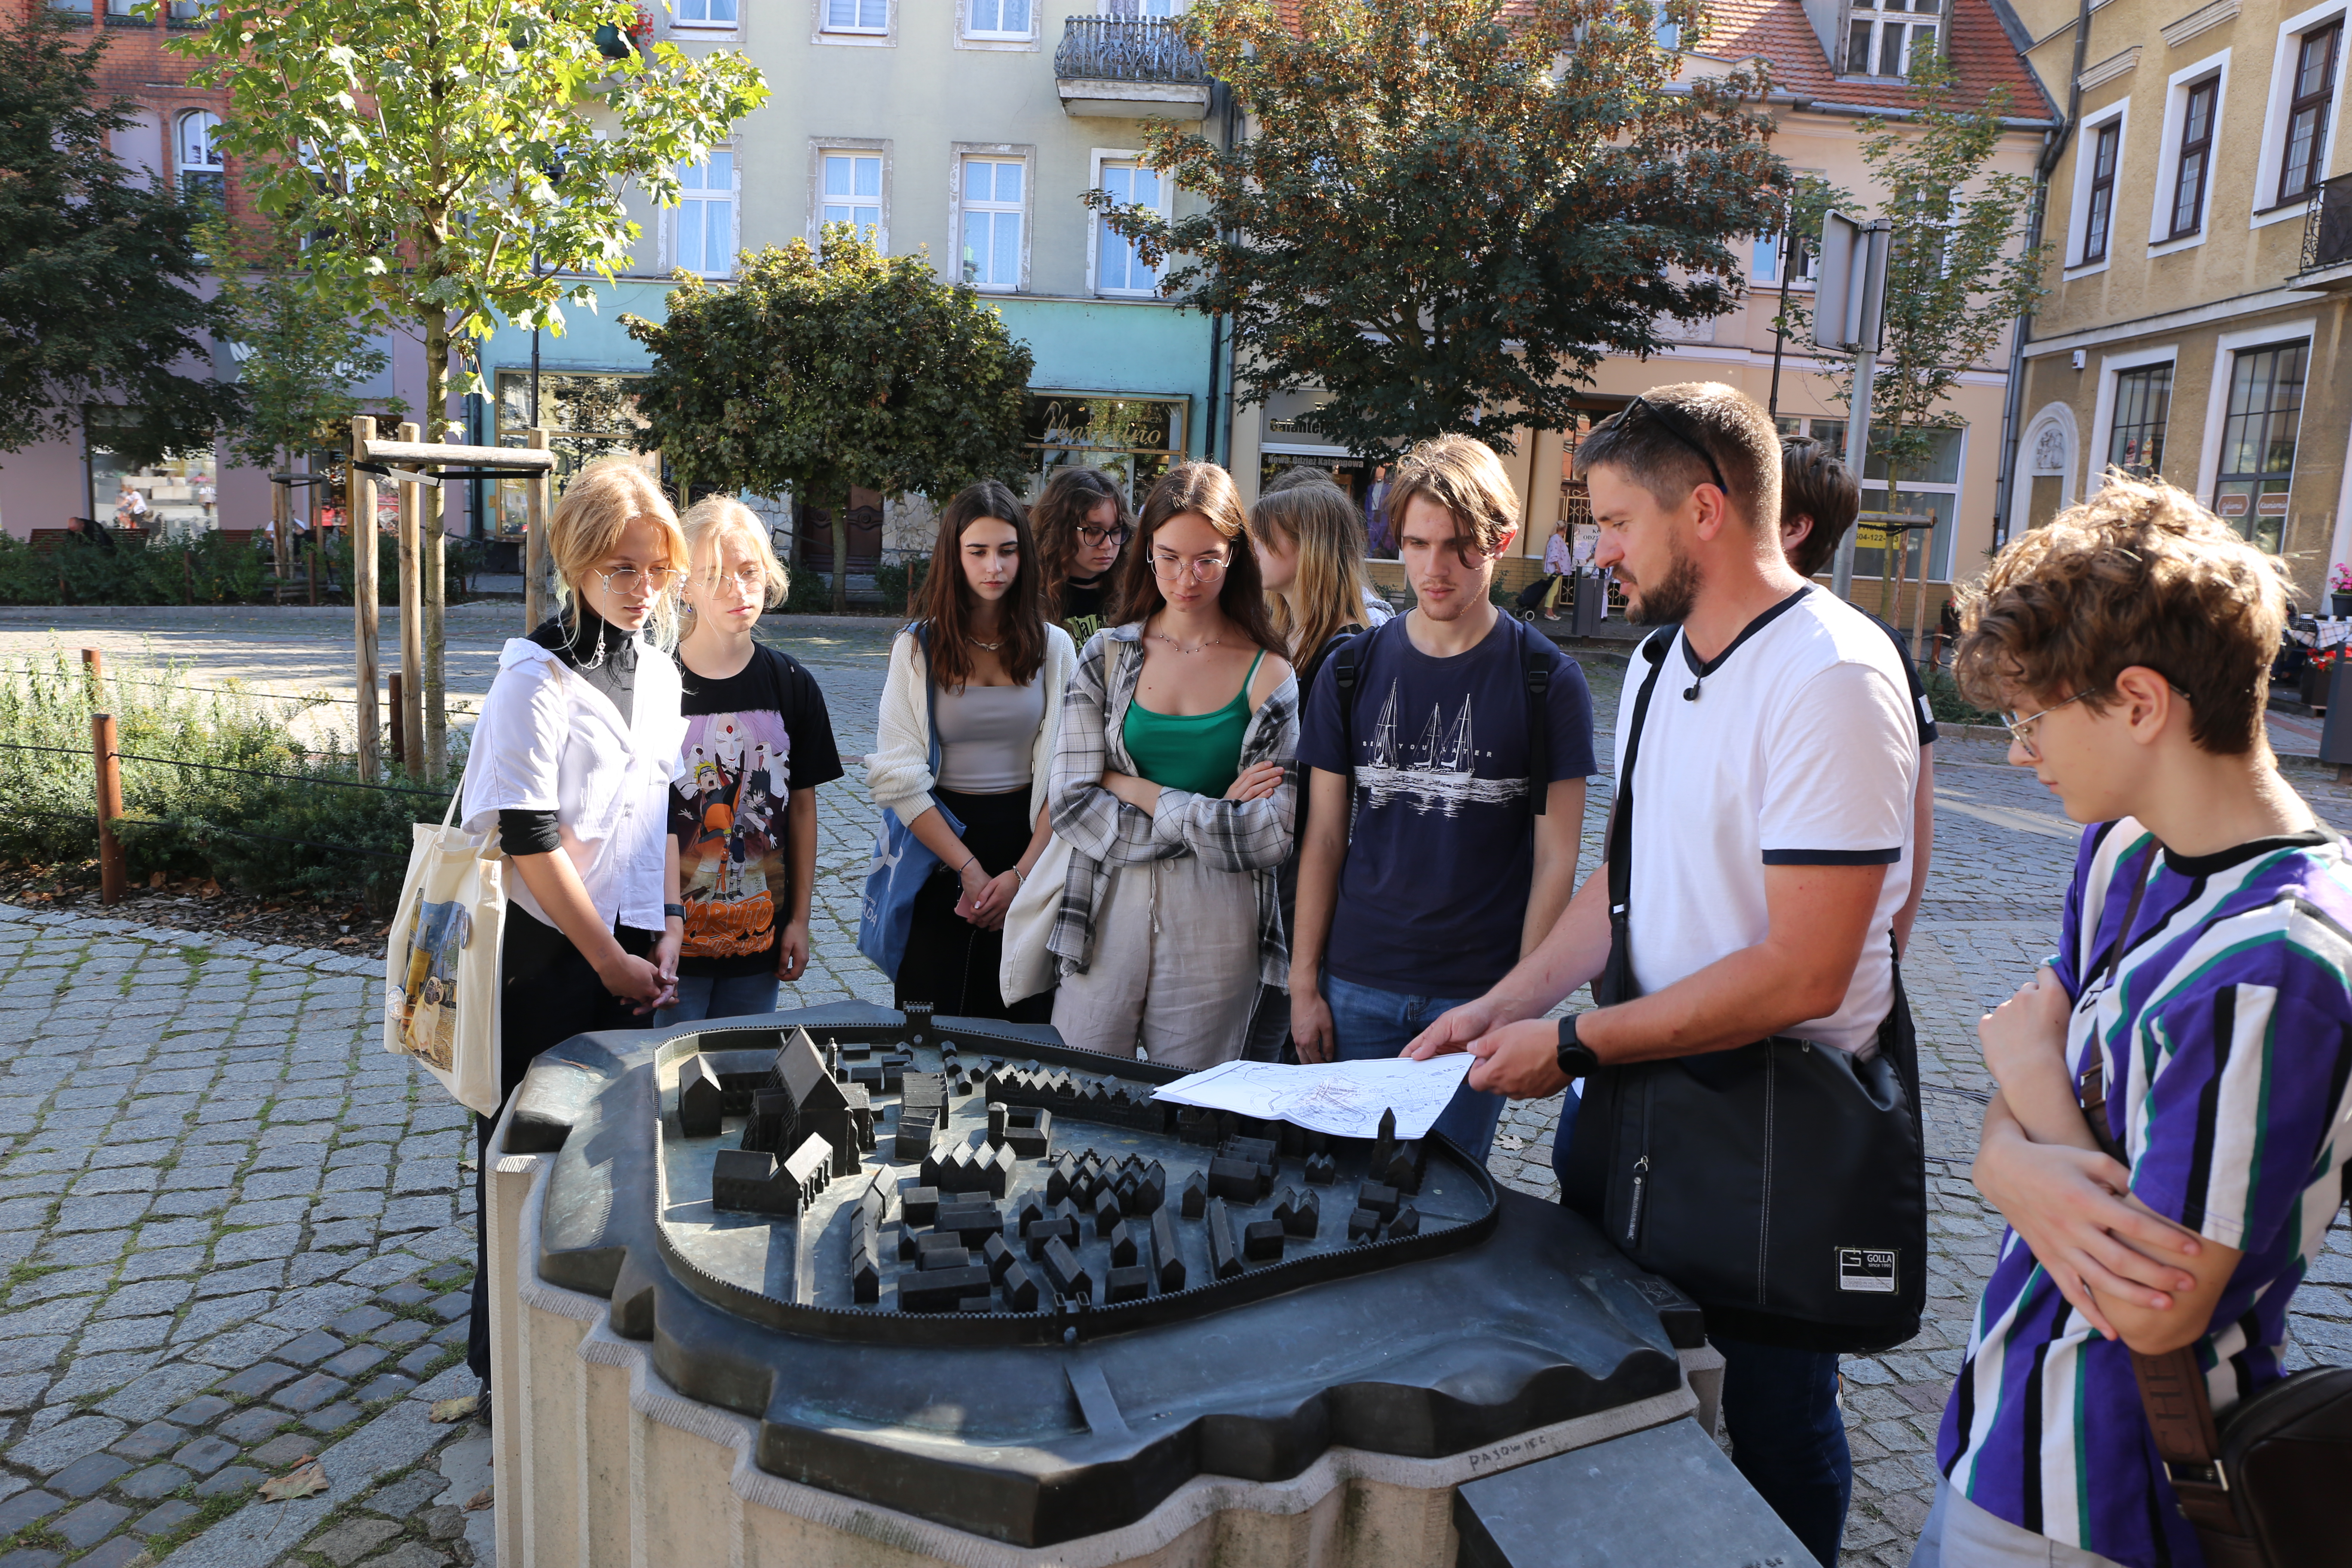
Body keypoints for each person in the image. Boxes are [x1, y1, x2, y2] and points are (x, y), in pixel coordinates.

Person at [1403, 384, 1921, 1565]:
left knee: (1780, 1419)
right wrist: (1508, 1002)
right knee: (1629, 1393)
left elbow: (1803, 970)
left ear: (1705, 510)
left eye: (1617, 522)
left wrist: (1578, 1046)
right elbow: (1625, 885)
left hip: (1776, 1135)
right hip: (1644, 1108)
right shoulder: (1652, 664)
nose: (1598, 551)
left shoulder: (1833, 676)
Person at [1911, 475, 2352, 1568]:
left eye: (2031, 716)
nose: (2018, 752)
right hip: (2003, 1441)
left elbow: (2157, 1308)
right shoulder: (2123, 850)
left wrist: (2021, 1148)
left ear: (2141, 702)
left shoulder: (2276, 965)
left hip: (2102, 1501)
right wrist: (2008, 1153)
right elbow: (2025, 1051)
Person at [1289, 434, 1596, 1163]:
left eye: (1458, 546)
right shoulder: (1349, 669)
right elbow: (1324, 838)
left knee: (1445, 1211)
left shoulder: (1547, 679)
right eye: (1417, 543)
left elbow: (1557, 859)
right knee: (1334, 1198)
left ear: (1501, 540)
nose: (1433, 568)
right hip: (1356, 977)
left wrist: (1517, 1005)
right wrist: (1304, 982)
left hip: (1475, 991)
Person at [457, 458, 691, 1400]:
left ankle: (584, 1359)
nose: (642, 590)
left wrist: (668, 931)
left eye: (658, 570)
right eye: (622, 569)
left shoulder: (665, 674)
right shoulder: (535, 677)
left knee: (611, 1160)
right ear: (577, 562)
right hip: (545, 957)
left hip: (630, 945)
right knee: (523, 1161)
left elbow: (663, 813)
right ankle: (504, 1376)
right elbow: (526, 839)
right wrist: (608, 960)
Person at [1047, 461, 1297, 1068]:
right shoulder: (1105, 656)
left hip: (1221, 911)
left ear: (1235, 555)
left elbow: (1268, 835)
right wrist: (1212, 813)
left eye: (1207, 559)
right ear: (1147, 553)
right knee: (1080, 1094)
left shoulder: (1271, 673)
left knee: (1194, 1109)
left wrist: (1138, 789)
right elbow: (1071, 802)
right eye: (1169, 557)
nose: (1187, 578)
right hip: (1108, 897)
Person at [869, 481, 1076, 1022]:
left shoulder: (1055, 647)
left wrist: (1022, 875)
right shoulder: (917, 647)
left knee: (1023, 1033)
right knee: (931, 1031)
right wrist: (968, 869)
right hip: (939, 849)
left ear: (1024, 556)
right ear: (953, 556)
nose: (994, 567)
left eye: (1007, 551)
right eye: (978, 551)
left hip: (1030, 844)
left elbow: (1068, 776)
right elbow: (898, 777)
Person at [656, 497, 843, 1026]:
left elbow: (803, 811)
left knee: (740, 1077)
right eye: (715, 575)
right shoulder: (654, 684)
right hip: (667, 948)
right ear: (683, 585)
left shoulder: (792, 685)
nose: (739, 590)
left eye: (749, 571)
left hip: (757, 942)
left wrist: (800, 920)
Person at [1239, 469, 1378, 1062]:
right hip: (1269, 859)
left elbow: (1331, 796)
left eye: (1267, 540)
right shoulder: (1283, 633)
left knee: (1264, 1042)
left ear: (1311, 550)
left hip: (1301, 871)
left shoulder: (1344, 651)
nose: (1253, 552)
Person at [1779, 438, 1937, 953]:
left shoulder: (1867, 649)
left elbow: (1916, 812)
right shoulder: (1670, 644)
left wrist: (1892, 952)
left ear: (1793, 530)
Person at [1033, 466, 1132, 637]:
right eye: (1093, 531)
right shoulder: (1031, 595)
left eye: (1116, 531)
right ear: (1060, 530)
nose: (1108, 545)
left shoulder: (1133, 593)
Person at [1514, 518, 1574, 620]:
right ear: (1565, 529)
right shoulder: (1556, 539)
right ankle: (1548, 613)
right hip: (1555, 570)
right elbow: (1554, 555)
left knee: (1553, 591)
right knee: (1553, 592)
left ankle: (1550, 612)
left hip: (1556, 570)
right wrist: (1558, 567)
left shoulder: (1557, 538)